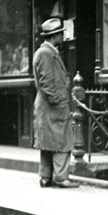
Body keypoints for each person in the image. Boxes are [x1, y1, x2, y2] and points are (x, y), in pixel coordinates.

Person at [33, 18, 79, 188]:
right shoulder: (46, 53)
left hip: (46, 106)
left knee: (47, 142)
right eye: (60, 34)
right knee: (62, 141)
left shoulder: (45, 51)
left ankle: (45, 177)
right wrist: (59, 102)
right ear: (55, 36)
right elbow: (48, 83)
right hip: (52, 106)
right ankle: (61, 177)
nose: (62, 36)